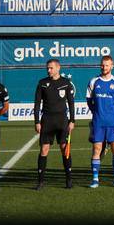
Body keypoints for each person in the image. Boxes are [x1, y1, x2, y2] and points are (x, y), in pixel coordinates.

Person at [34, 59, 75, 190]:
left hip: (62, 121)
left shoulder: (66, 83)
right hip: (47, 121)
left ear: (58, 68)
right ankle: (40, 181)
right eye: (47, 68)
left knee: (64, 149)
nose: (48, 70)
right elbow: (37, 104)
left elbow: (71, 103)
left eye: (51, 68)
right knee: (44, 150)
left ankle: (69, 179)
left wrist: (72, 120)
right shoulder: (42, 83)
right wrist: (37, 121)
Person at [86, 55, 114, 188]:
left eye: (107, 65)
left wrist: (113, 113)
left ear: (112, 66)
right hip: (98, 122)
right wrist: (96, 112)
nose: (104, 67)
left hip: (113, 122)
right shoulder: (94, 82)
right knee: (97, 149)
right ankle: (95, 179)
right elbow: (89, 101)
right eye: (102, 65)